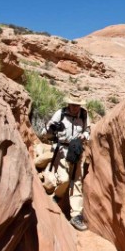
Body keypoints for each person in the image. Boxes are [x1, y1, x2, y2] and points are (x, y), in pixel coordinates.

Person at [42, 95, 90, 231]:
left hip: (77, 150)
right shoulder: (61, 113)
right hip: (62, 150)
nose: (75, 108)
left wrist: (84, 136)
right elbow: (46, 132)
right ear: (68, 104)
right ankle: (57, 196)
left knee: (76, 182)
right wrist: (51, 129)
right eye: (73, 105)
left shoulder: (84, 115)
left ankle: (76, 216)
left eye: (77, 105)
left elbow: (88, 131)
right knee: (64, 179)